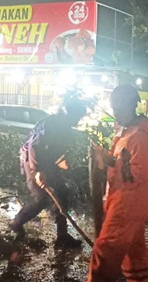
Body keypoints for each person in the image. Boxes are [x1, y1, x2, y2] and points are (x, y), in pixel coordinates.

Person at [79, 85, 148, 282]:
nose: (116, 113)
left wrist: (108, 161)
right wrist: (108, 159)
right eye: (114, 108)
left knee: (105, 251)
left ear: (131, 105)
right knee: (134, 255)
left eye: (119, 108)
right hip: (126, 203)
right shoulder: (126, 135)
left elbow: (136, 175)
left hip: (129, 205)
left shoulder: (139, 139)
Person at [9, 98, 89, 248]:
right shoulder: (50, 125)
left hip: (47, 163)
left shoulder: (65, 127)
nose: (77, 120)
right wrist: (38, 171)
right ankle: (16, 222)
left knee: (61, 192)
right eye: (76, 116)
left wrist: (61, 162)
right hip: (33, 161)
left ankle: (62, 237)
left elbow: (54, 150)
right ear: (67, 112)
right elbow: (34, 147)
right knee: (41, 198)